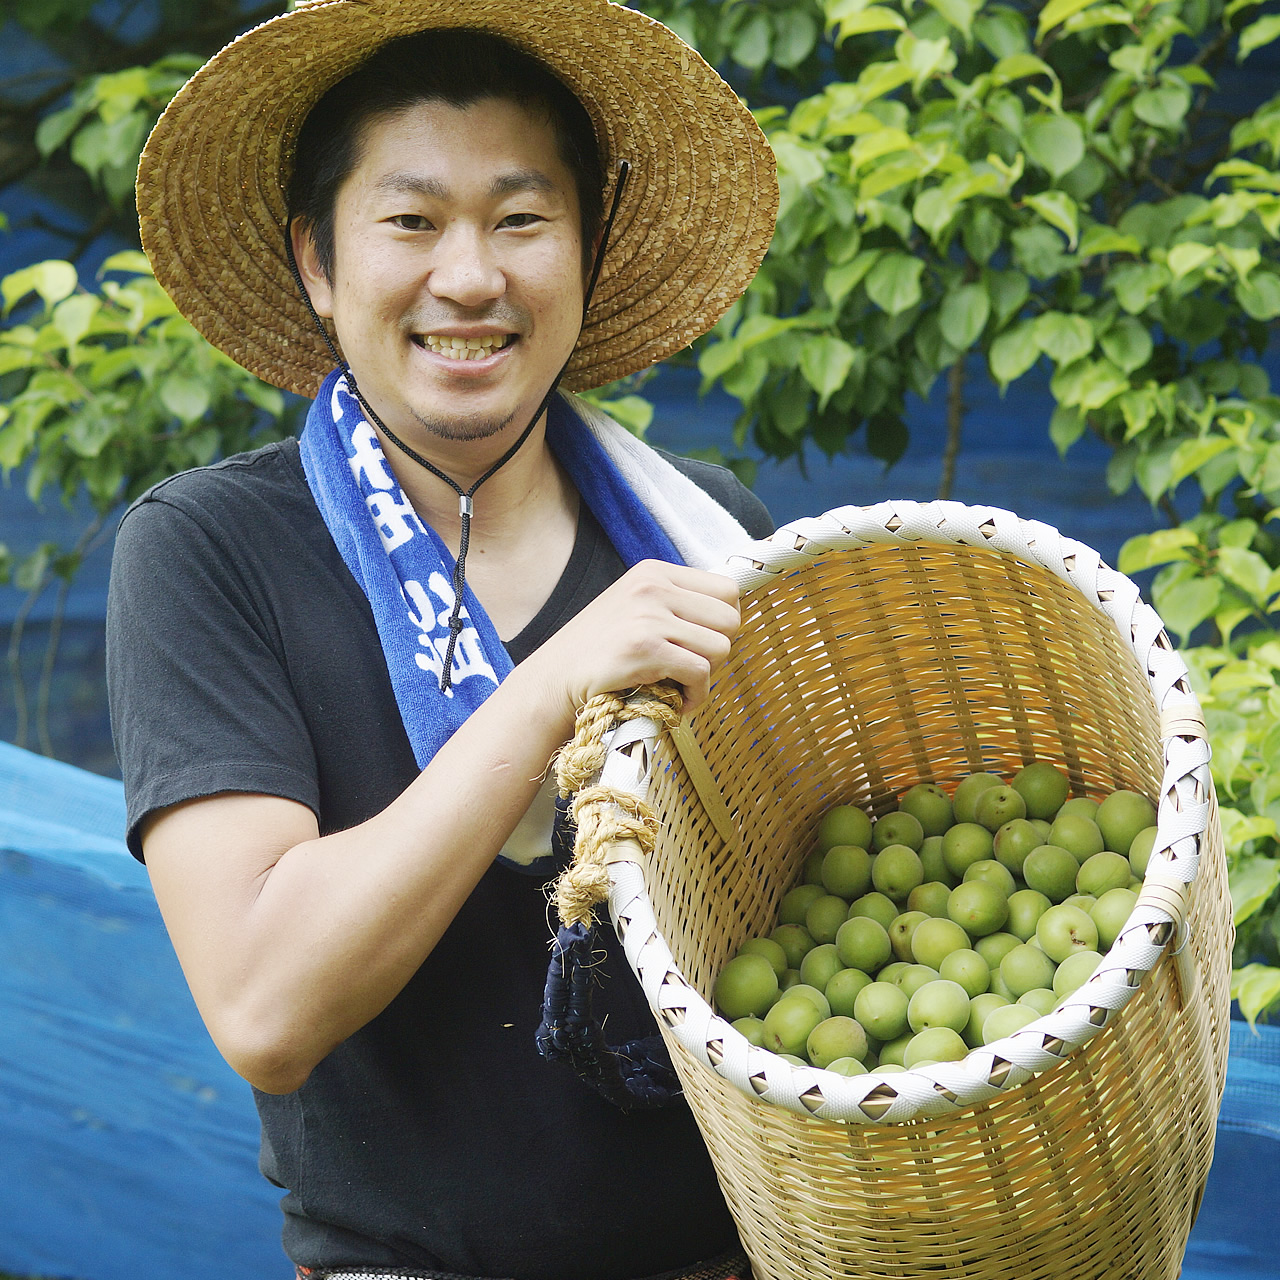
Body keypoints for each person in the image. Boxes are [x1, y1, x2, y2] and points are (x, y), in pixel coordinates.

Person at [108, 2, 778, 1277]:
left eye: (520, 220)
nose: (469, 277)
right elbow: (263, 1003)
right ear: (316, 260)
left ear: (588, 245)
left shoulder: (702, 539)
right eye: (410, 222)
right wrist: (545, 694)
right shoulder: (211, 552)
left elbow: (788, 898)